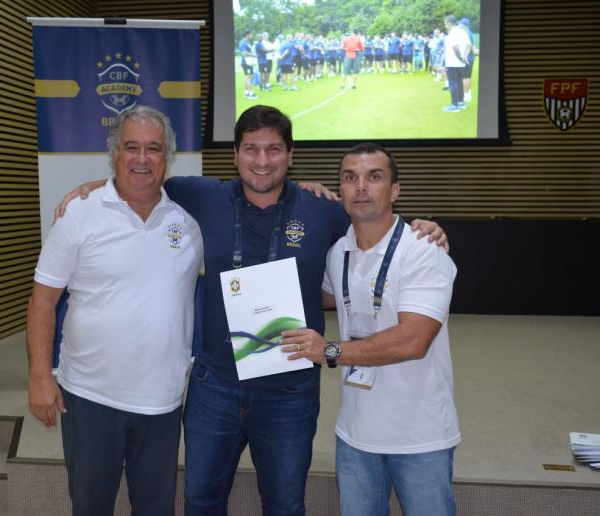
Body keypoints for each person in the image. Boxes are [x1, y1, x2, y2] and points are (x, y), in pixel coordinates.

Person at [55, 106, 449, 516]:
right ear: (236, 155)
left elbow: (374, 221)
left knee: (283, 505)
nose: (262, 161)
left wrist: (427, 227)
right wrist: (92, 188)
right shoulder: (201, 196)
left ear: (291, 155)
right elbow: (142, 177)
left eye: (274, 150)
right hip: (215, 387)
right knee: (202, 502)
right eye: (251, 149)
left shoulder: (324, 210)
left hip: (289, 392)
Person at [26, 106, 204, 516]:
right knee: (90, 507)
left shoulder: (189, 218)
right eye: (132, 148)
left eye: (153, 149)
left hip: (162, 403)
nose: (142, 159)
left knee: (156, 509)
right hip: (89, 399)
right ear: (115, 155)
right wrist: (39, 376)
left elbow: (253, 192)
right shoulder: (79, 214)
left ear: (167, 157)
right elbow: (42, 300)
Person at [281, 143, 459, 516]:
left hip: (419, 437)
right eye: (350, 178)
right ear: (340, 191)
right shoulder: (338, 252)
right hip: (355, 436)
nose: (361, 187)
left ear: (394, 190)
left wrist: (330, 351)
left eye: (374, 177)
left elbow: (414, 340)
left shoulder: (423, 249)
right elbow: (321, 297)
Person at [443, 15, 471, 112]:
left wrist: (460, 58)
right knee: (459, 82)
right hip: (461, 63)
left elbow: (455, 47)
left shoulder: (452, 33)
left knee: (453, 83)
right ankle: (461, 102)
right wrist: (464, 57)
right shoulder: (463, 32)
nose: (445, 26)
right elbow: (468, 45)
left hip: (452, 62)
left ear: (449, 23)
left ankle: (454, 105)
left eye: (445, 23)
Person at [238, 30, 258, 99]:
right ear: (247, 35)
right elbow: (244, 53)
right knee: (249, 77)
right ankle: (251, 93)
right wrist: (253, 55)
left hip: (248, 62)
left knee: (248, 77)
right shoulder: (243, 43)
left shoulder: (247, 42)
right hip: (246, 63)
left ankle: (246, 92)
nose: (251, 36)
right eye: (251, 34)